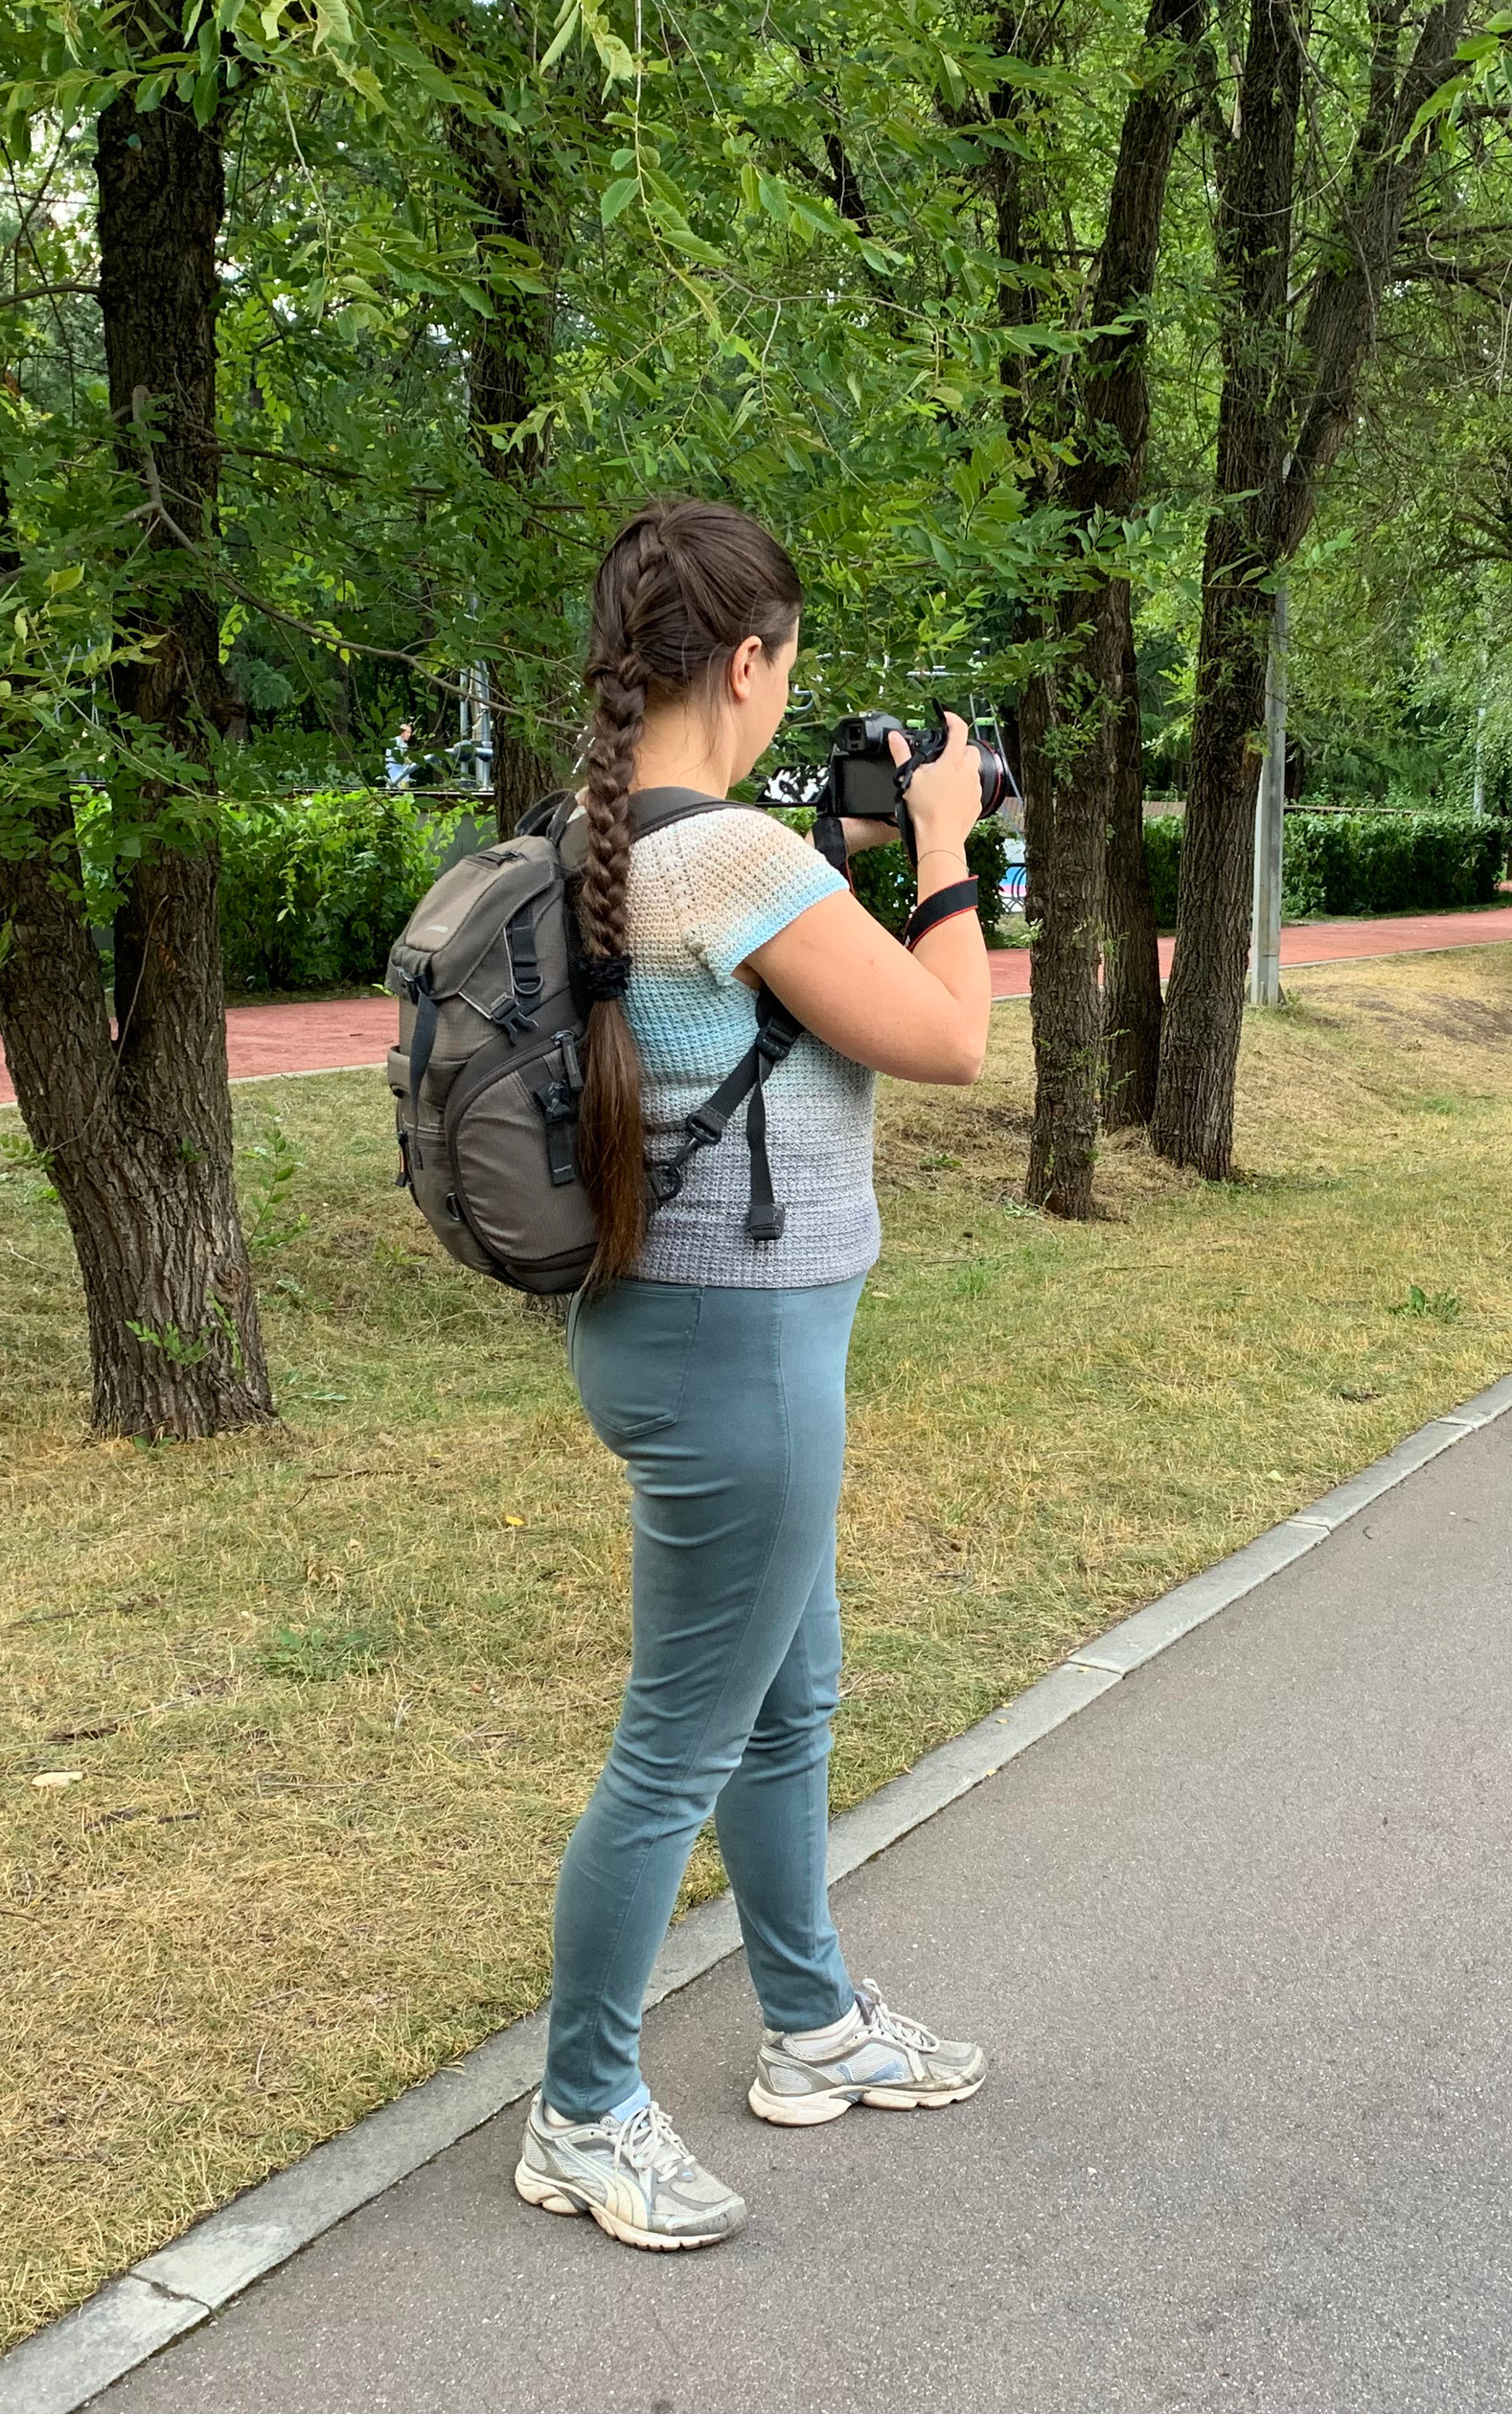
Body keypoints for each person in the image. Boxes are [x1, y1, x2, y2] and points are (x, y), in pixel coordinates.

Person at [513, 499, 996, 2252]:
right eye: (788, 670)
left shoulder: (613, 836)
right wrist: (949, 846)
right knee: (677, 1743)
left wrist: (859, 862)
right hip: (740, 1349)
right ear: (745, 662)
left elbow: (783, 1021)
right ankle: (580, 2111)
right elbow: (946, 1035)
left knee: (788, 1699)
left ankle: (810, 2027)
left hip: (678, 1327)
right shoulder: (730, 859)